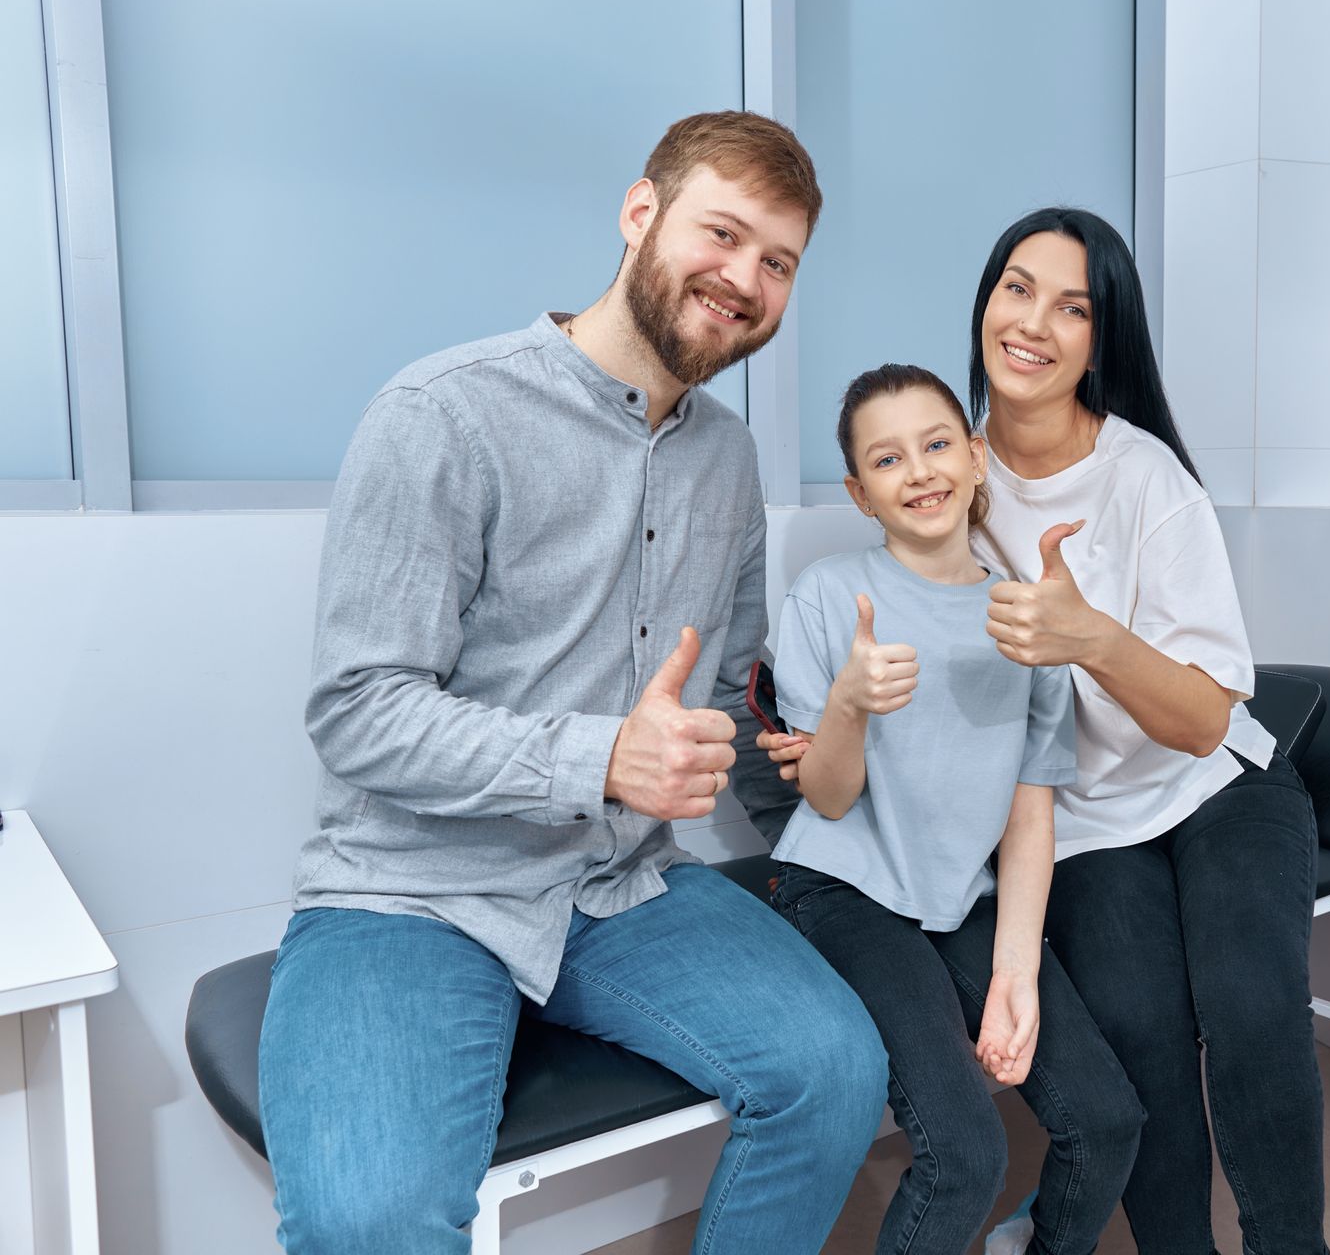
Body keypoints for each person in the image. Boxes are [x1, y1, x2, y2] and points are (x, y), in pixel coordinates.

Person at [258, 111, 888, 1255]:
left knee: (836, 1070)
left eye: (778, 261)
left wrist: (830, 816)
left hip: (622, 885)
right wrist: (599, 756)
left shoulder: (729, 458)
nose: (744, 278)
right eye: (724, 232)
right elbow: (356, 710)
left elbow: (734, 714)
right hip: (415, 889)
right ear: (640, 212)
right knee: (371, 1223)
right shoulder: (442, 415)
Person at [766, 206, 1326, 1254]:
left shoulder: (1146, 477)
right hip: (1082, 818)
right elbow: (905, 641)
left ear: (1100, 338)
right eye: (1016, 287)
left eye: (1073, 306)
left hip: (1218, 788)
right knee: (1143, 1039)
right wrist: (822, 726)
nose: (1034, 321)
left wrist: (1089, 637)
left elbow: (1209, 719)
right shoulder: (944, 471)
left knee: (1250, 1001)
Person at [764, 363, 1141, 1254]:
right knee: (965, 1152)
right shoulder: (828, 596)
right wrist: (850, 703)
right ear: (861, 494)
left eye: (937, 445)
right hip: (844, 892)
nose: (921, 471)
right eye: (888, 460)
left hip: (959, 900)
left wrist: (1015, 976)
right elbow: (826, 793)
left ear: (976, 460)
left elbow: (1029, 816)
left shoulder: (1028, 620)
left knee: (1107, 1118)